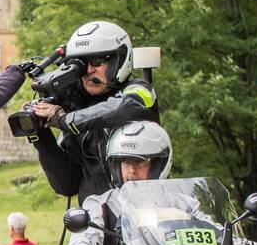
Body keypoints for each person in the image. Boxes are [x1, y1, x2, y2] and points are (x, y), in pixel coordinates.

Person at [24, 21, 160, 204]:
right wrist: (41, 137)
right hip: (95, 224)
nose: (88, 71)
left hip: (142, 215)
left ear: (117, 60)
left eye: (96, 62)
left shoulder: (140, 91)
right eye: (81, 64)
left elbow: (119, 107)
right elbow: (68, 185)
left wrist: (65, 119)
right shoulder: (78, 106)